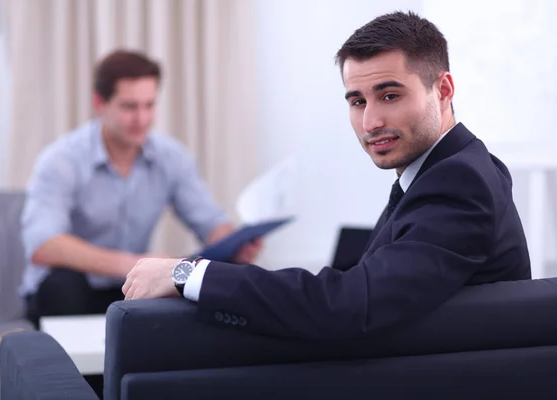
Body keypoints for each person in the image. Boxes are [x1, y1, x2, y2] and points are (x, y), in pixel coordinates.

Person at [122, 11, 531, 340]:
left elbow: (350, 306)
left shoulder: (459, 183)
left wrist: (186, 273)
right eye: (357, 100)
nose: (370, 121)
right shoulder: (454, 167)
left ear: (442, 91)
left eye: (390, 95)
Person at [20, 50, 262, 329]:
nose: (142, 118)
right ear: (100, 103)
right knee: (63, 287)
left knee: (213, 283)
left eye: (149, 105)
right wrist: (135, 263)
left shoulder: (171, 157)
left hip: (129, 288)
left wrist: (235, 245)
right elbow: (42, 245)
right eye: (129, 107)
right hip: (69, 293)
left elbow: (210, 222)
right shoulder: (61, 160)